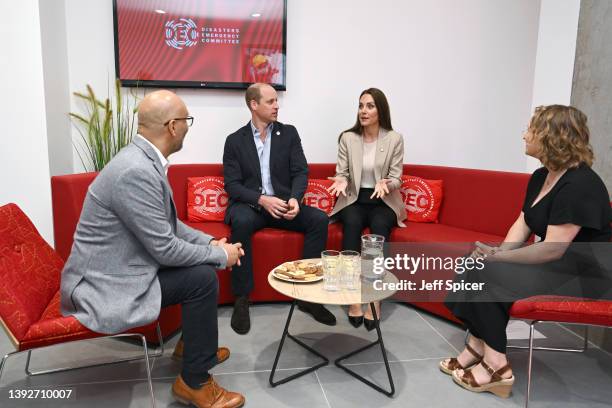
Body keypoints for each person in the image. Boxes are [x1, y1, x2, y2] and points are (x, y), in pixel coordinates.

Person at [60, 90, 246, 408]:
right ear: (173, 126)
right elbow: (164, 248)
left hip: (120, 267)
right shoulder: (136, 171)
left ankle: (194, 348)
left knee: (200, 272)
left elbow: (168, 225)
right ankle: (194, 382)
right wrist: (219, 256)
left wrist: (209, 242)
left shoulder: (142, 160)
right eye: (187, 120)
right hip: (104, 284)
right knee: (202, 279)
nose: (188, 126)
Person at [441, 105, 612, 398]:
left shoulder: (580, 184)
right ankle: (478, 346)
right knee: (475, 263)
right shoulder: (540, 176)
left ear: (552, 136)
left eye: (530, 129)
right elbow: (522, 224)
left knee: (489, 271)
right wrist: (496, 253)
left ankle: (497, 366)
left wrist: (498, 259)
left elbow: (551, 251)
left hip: (586, 275)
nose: (524, 135)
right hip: (559, 263)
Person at [223, 83, 335, 334]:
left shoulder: (290, 133)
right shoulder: (234, 141)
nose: (277, 106)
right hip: (253, 207)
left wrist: (296, 198)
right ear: (254, 105)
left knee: (318, 219)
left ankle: (308, 297)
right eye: (271, 101)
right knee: (239, 222)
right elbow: (232, 185)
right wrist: (261, 200)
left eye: (277, 101)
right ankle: (241, 299)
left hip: (284, 205)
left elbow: (300, 171)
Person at [328, 88, 406, 330]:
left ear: (380, 110)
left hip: (383, 199)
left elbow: (397, 177)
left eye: (370, 106)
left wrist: (387, 183)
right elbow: (342, 172)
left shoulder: (394, 138)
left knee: (380, 226)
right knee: (351, 222)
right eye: (361, 106)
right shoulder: (348, 138)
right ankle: (352, 297)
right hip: (354, 198)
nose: (363, 111)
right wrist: (341, 180)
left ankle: (374, 298)